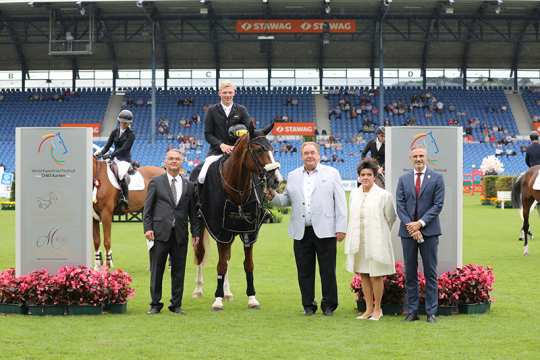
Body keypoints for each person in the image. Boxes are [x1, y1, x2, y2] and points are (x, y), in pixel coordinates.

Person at [270, 142, 347, 316]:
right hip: (301, 231)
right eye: (306, 153)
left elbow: (341, 203)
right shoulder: (293, 175)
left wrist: (341, 228)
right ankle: (308, 305)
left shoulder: (332, 173)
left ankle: (329, 305)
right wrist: (272, 196)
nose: (309, 156)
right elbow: (285, 201)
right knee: (304, 271)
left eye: (312, 152)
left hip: (326, 230)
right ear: (302, 156)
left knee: (328, 270)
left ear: (318, 155)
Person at [143, 149, 201, 315]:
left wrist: (196, 233)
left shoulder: (189, 185)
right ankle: (155, 304)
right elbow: (147, 209)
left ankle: (176, 305)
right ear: (165, 162)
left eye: (177, 159)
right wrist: (147, 228)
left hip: (180, 235)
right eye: (171, 159)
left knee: (178, 271)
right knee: (157, 270)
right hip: (159, 233)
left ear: (181, 162)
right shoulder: (156, 182)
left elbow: (193, 212)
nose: (174, 161)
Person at [396, 147, 444, 324]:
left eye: (421, 156)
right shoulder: (403, 179)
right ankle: (412, 311)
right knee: (410, 272)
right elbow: (400, 205)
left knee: (430, 272)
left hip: (429, 232)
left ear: (426, 157)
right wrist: (411, 226)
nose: (418, 159)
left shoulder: (437, 178)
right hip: (408, 233)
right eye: (415, 156)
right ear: (410, 158)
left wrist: (420, 223)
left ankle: (431, 312)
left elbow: (438, 205)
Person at [344, 159, 396, 321]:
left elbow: (391, 218)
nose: (365, 177)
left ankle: (378, 309)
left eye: (369, 174)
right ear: (359, 177)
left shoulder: (384, 195)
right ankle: (368, 309)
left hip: (376, 241)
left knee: (376, 275)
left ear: (375, 176)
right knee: (364, 275)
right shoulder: (354, 194)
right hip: (359, 242)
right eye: (362, 175)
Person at [198, 81, 251, 184]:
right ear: (219, 93)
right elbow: (208, 134)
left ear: (234, 93)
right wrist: (221, 145)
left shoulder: (241, 110)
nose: (227, 95)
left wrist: (236, 146)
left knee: (256, 173)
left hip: (238, 151)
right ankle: (201, 200)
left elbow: (250, 130)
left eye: (230, 92)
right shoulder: (211, 110)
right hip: (216, 152)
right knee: (202, 177)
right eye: (225, 92)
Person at [95, 109, 135, 210]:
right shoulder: (114, 132)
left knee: (121, 175)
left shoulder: (131, 135)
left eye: (126, 123)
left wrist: (111, 155)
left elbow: (124, 148)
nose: (123, 124)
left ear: (129, 123)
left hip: (124, 159)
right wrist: (100, 154)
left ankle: (124, 197)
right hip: (114, 157)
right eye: (122, 122)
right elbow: (107, 146)